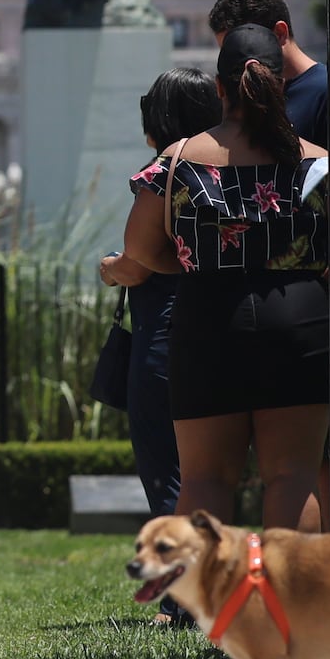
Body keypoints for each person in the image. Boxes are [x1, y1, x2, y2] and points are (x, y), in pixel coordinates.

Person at [101, 25, 330, 534]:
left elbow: (140, 252)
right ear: (279, 85)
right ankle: (291, 607)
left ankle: (202, 604)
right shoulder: (319, 162)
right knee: (294, 477)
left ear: (220, 89)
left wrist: (188, 261)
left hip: (207, 316)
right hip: (301, 317)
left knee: (205, 479)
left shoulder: (179, 160)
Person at [126, 70, 224, 521]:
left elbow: (137, 258)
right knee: (217, 475)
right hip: (225, 329)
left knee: (170, 472)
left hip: (166, 334)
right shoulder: (236, 165)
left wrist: (113, 268)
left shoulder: (164, 172)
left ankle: (181, 586)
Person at [208, 0, 327, 143]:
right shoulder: (239, 96)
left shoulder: (326, 93)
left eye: (239, 49)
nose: (233, 62)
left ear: (279, 34)